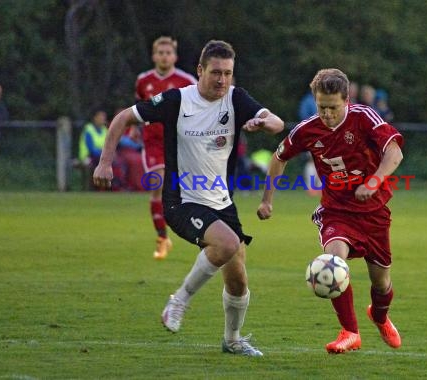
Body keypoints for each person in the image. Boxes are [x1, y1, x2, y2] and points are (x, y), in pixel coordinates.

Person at [93, 40, 284, 356]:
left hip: (222, 203)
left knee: (237, 280)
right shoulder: (176, 101)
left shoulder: (236, 98)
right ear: (200, 70)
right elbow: (123, 118)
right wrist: (104, 161)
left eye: (227, 73)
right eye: (215, 73)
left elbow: (276, 122)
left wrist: (262, 123)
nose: (222, 80)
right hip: (182, 200)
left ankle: (232, 340)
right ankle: (178, 301)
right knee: (226, 244)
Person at [257, 68, 404, 353]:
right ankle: (350, 332)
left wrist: (373, 182)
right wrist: (267, 200)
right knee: (333, 262)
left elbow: (394, 152)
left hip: (373, 213)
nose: (326, 114)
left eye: (333, 107)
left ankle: (379, 315)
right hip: (336, 211)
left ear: (346, 100)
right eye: (321, 107)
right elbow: (279, 158)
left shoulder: (364, 118)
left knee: (382, 282)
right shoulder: (308, 129)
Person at [135, 36, 198, 260]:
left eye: (168, 53)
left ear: (175, 56)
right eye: (160, 53)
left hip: (180, 143)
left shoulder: (186, 80)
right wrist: (134, 127)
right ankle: (162, 238)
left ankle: (194, 229)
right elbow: (139, 107)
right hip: (152, 143)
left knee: (184, 191)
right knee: (157, 184)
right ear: (154, 56)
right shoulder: (144, 81)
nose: (164, 56)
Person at [78, 110, 108, 189]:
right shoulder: (89, 130)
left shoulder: (105, 130)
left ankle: (112, 187)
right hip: (87, 157)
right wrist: (104, 154)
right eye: (101, 116)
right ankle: (96, 187)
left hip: (101, 157)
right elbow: (91, 150)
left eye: (104, 117)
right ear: (95, 118)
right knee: (98, 162)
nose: (103, 119)